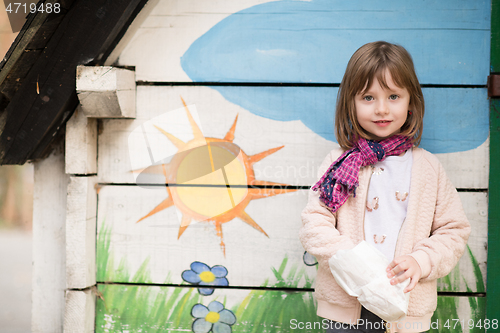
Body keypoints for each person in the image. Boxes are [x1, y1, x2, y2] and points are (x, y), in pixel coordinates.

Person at [299, 41, 471, 333]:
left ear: (410, 102)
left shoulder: (427, 168)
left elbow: (454, 230)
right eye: (368, 97)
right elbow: (314, 223)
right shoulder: (339, 163)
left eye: (393, 96)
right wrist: (351, 260)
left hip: (405, 305)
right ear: (350, 103)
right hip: (348, 306)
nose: (381, 109)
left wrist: (422, 260)